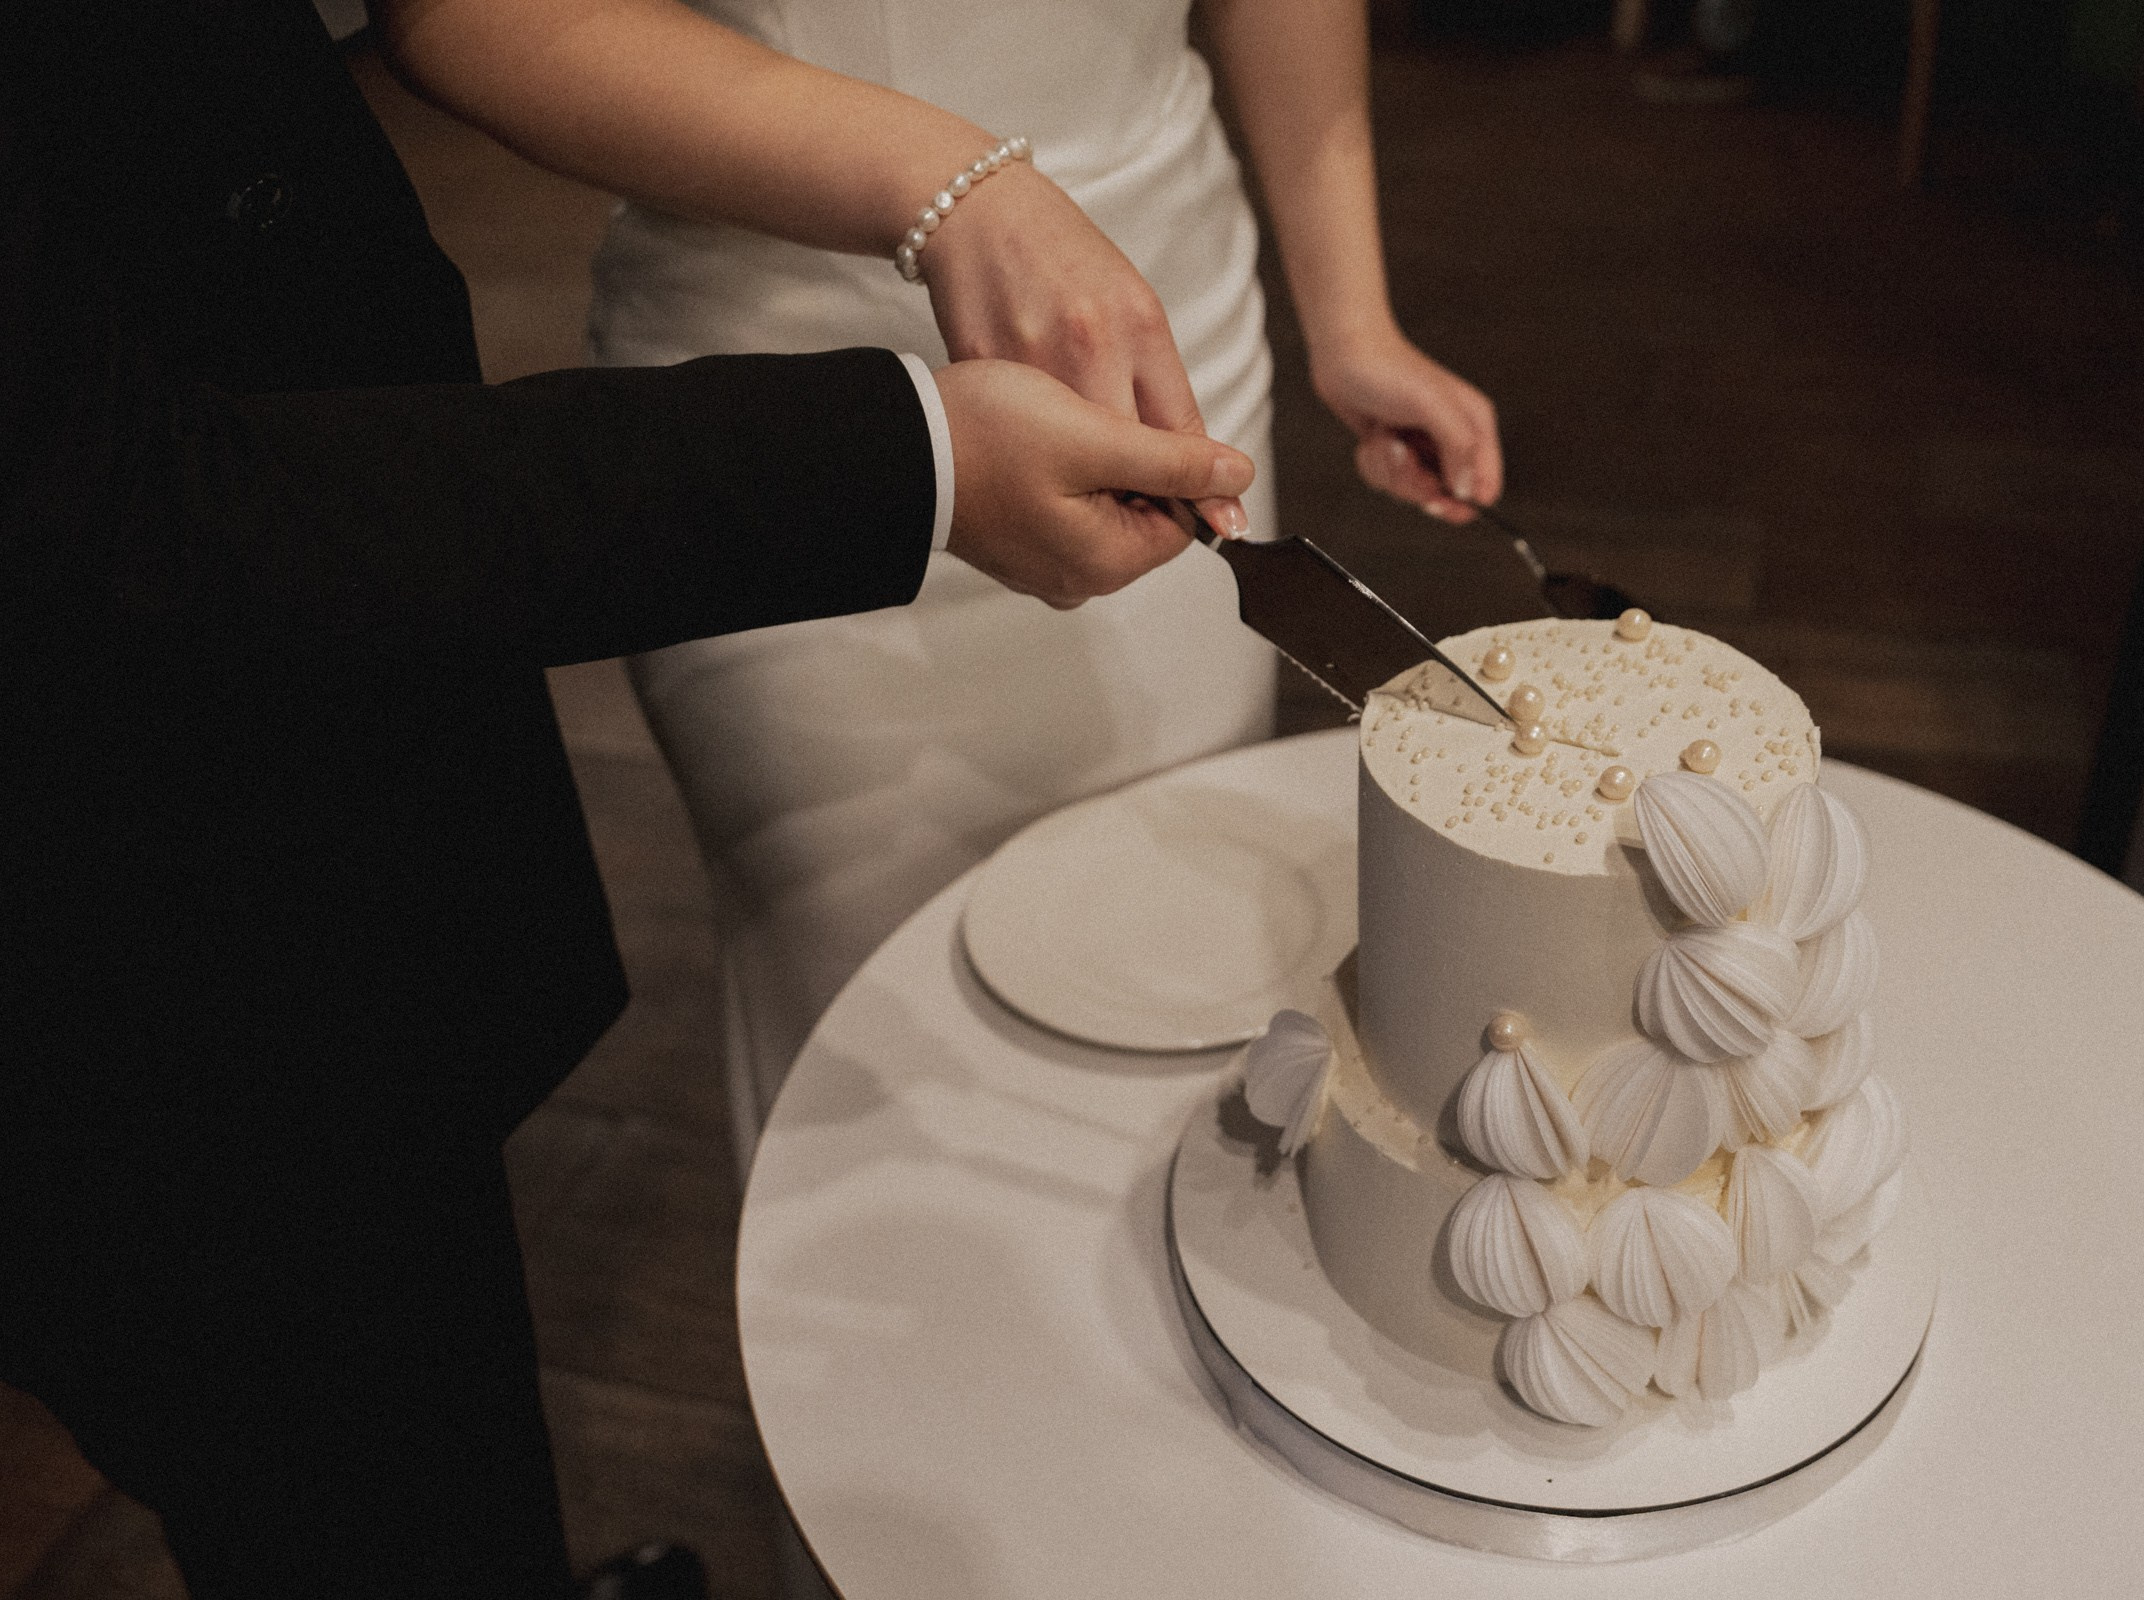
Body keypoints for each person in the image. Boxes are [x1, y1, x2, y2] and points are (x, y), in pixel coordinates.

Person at [0, 0, 1253, 1592]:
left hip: (318, 746)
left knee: (411, 1378)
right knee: (321, 1432)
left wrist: (969, 186)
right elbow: (123, 520)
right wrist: (915, 454)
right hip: (118, 890)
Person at [375, 0, 1508, 1166]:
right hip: (795, 364)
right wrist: (955, 188)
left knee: (1186, 980)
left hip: (1165, 306)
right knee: (882, 1069)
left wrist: (1350, 308)